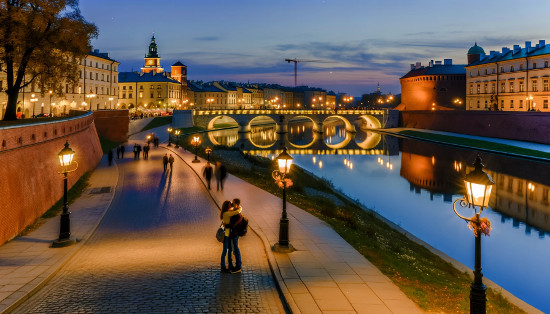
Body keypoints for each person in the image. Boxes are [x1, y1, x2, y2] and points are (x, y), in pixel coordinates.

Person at [220, 200, 241, 273]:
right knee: (225, 251)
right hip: (226, 235)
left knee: (229, 250)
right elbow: (236, 212)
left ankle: (230, 265)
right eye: (229, 205)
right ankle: (223, 267)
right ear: (227, 206)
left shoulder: (226, 213)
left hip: (228, 234)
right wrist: (240, 208)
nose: (231, 205)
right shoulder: (226, 213)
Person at [228, 198, 243, 273]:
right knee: (235, 249)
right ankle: (238, 265)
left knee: (236, 249)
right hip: (235, 233)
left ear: (236, 204)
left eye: (233, 203)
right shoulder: (237, 211)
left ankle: (238, 267)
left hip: (234, 233)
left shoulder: (237, 214)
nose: (232, 204)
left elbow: (233, 224)